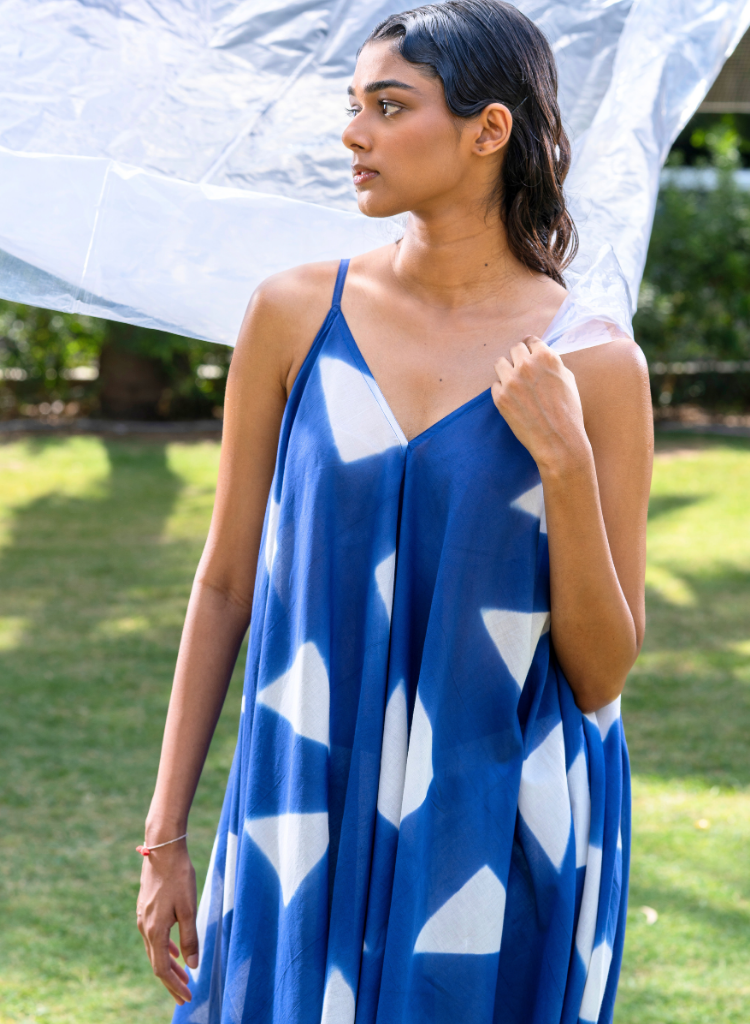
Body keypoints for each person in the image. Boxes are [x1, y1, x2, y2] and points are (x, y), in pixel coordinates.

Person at [136, 2, 653, 1021]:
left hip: (497, 823)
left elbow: (601, 674)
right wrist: (165, 837)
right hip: (302, 806)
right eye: (353, 106)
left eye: (388, 106)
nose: (352, 135)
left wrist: (564, 458)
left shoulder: (593, 365)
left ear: (489, 129)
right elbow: (227, 584)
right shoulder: (293, 315)